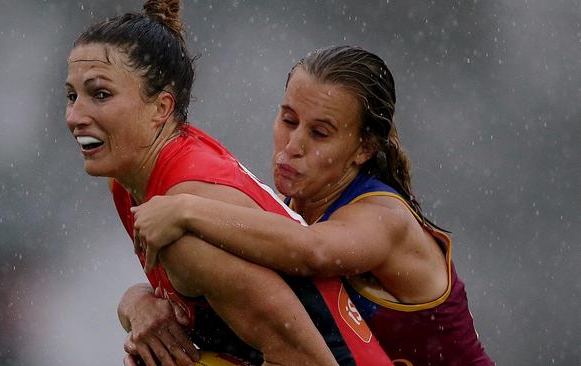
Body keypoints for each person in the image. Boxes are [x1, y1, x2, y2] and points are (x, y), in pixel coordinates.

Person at [64, 1, 391, 365]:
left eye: (101, 95)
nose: (75, 116)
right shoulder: (132, 179)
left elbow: (307, 360)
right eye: (72, 96)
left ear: (161, 108)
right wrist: (136, 303)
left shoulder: (185, 220)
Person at [132, 45, 495, 365]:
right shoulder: (291, 211)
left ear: (365, 148)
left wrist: (184, 209)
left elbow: (313, 251)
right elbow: (229, 295)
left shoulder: (385, 218)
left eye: (319, 133)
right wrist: (137, 305)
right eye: (288, 120)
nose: (293, 145)